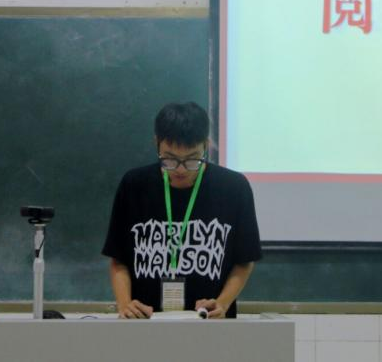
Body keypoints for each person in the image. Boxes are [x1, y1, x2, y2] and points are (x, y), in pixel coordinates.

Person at [102, 102, 262, 319]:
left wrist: (222, 304)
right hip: (144, 323)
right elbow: (118, 260)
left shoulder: (234, 188)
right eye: (169, 159)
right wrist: (125, 305)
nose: (180, 169)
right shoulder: (134, 185)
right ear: (157, 143)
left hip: (210, 324)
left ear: (206, 146)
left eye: (192, 159)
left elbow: (244, 261)